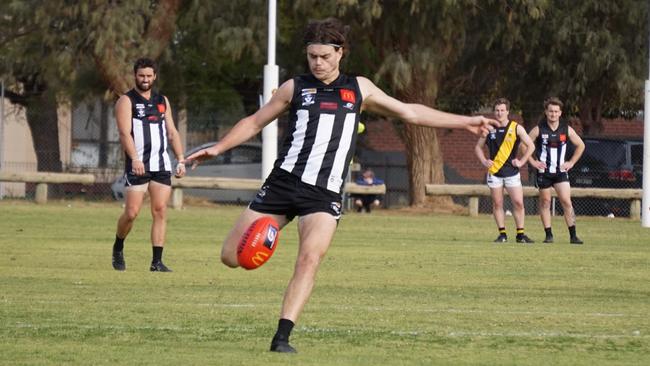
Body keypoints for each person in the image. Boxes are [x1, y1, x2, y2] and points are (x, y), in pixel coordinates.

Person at [185, 18, 498, 353]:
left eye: (324, 56)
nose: (317, 63)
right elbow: (254, 121)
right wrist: (218, 147)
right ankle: (271, 233)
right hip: (282, 183)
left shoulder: (358, 89)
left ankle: (282, 337)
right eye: (312, 57)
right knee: (232, 257)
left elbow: (411, 113)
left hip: (323, 193)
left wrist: (467, 121)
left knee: (309, 259)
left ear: (340, 54)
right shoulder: (295, 88)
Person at [111, 57, 186, 272]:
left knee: (160, 210)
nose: (145, 79)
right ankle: (118, 246)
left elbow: (172, 132)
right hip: (138, 166)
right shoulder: (126, 101)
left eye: (149, 76)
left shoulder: (162, 100)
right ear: (135, 76)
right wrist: (135, 158)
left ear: (155, 77)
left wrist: (180, 159)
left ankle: (157, 262)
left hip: (161, 165)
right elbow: (125, 133)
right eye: (141, 75)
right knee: (132, 212)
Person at [474, 98, 536, 243]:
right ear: (494, 112)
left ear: (507, 111)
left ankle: (520, 235)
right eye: (497, 110)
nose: (499, 113)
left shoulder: (516, 128)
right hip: (495, 172)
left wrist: (521, 161)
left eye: (502, 110)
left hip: (512, 173)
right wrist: (484, 161)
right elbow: (478, 147)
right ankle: (502, 234)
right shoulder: (488, 128)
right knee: (497, 203)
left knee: (518, 203)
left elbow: (531, 146)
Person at [527, 97, 585, 244]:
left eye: (556, 111)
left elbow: (581, 145)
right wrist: (533, 161)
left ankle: (573, 236)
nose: (553, 114)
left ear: (560, 113)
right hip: (544, 172)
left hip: (560, 172)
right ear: (546, 112)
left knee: (566, 201)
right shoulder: (539, 129)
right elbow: (524, 145)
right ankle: (548, 235)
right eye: (550, 111)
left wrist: (571, 162)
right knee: (545, 202)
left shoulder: (566, 129)